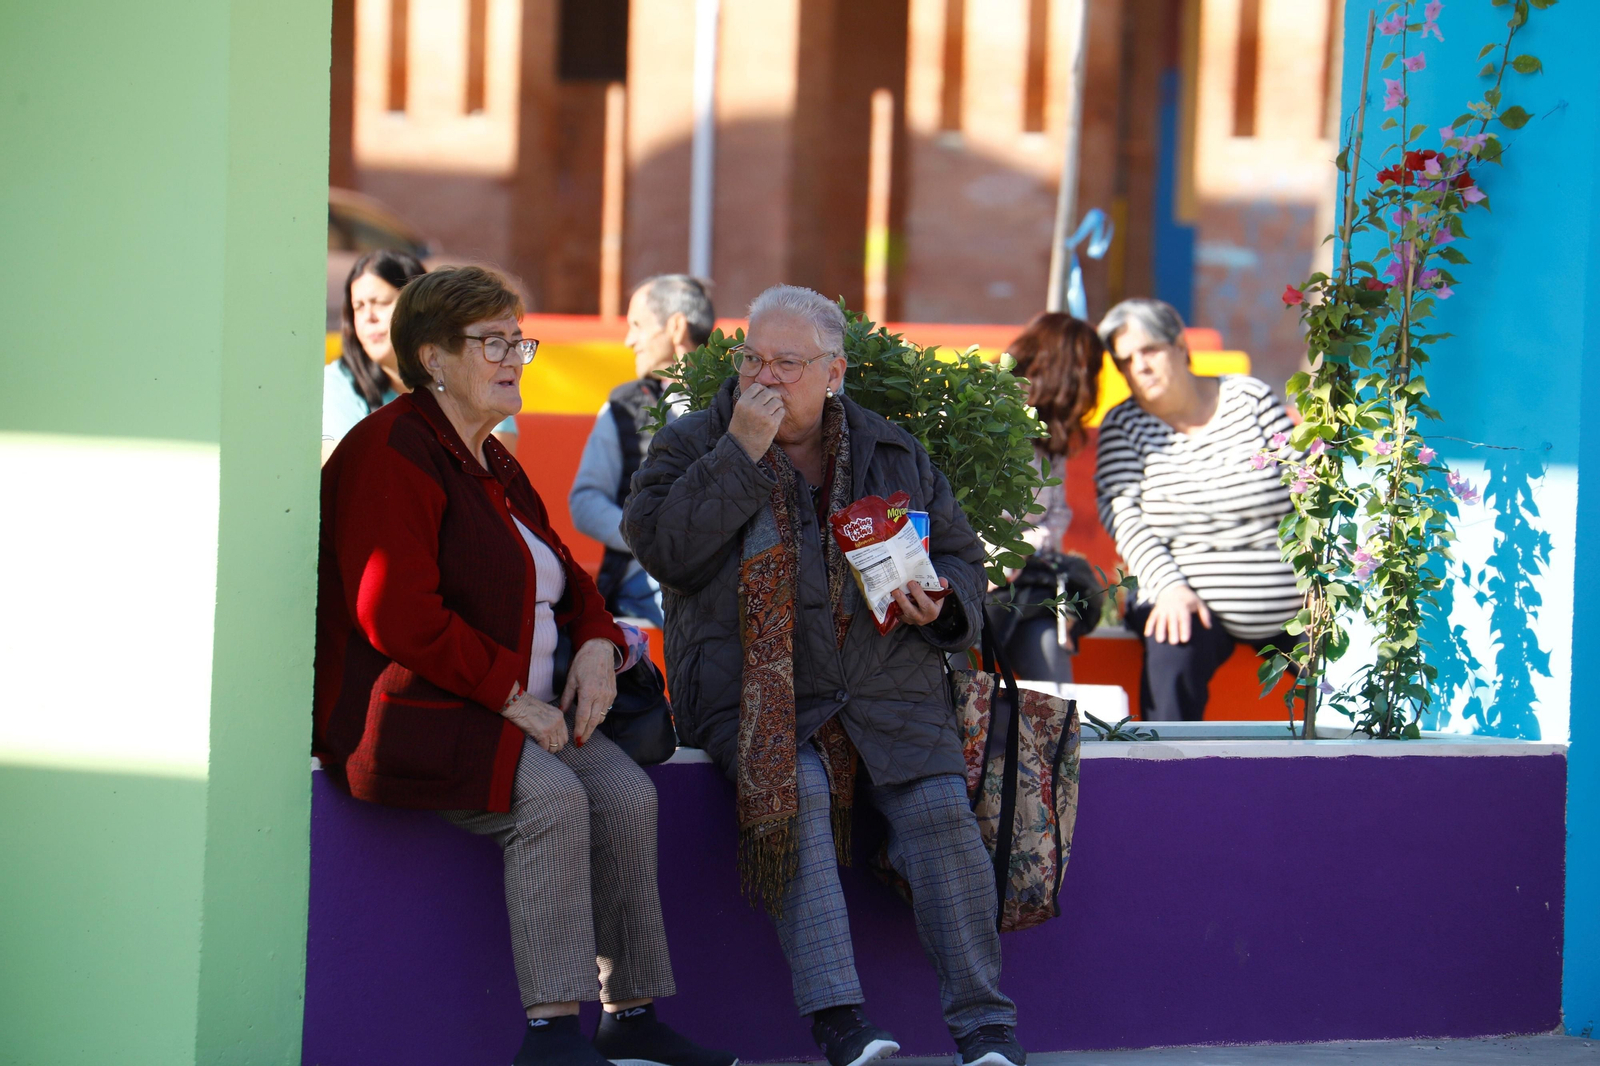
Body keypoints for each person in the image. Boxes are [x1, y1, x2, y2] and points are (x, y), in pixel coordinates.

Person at [315, 266, 734, 1066]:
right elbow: (393, 610)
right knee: (551, 803)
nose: (516, 359)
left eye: (520, 341)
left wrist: (601, 649)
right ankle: (550, 1035)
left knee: (626, 796)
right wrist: (511, 696)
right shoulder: (394, 449)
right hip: (419, 714)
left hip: (517, 706)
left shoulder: (490, 458)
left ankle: (631, 1019)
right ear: (433, 357)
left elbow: (569, 579)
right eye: (494, 343)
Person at [624, 285, 1026, 1066]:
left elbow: (962, 562)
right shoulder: (692, 444)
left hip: (888, 687)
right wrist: (737, 455)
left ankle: (986, 1030)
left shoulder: (891, 450)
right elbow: (664, 549)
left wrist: (940, 605)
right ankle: (841, 1021)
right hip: (753, 689)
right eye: (752, 360)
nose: (764, 379)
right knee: (796, 787)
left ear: (834, 371)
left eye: (786, 363)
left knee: (941, 810)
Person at [1094, 297, 1299, 721]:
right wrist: (1168, 586)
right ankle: (1166, 779)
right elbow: (1124, 517)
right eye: (1126, 360)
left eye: (1149, 350)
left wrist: (1320, 586)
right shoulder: (1124, 425)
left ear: (1180, 346)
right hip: (1185, 594)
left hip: (1291, 606)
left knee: (1347, 691)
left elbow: (1305, 491)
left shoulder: (1251, 398)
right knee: (1170, 657)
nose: (1140, 367)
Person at [569, 275, 714, 626]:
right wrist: (651, 540)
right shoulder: (624, 407)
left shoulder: (737, 400)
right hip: (646, 577)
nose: (628, 339)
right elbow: (585, 501)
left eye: (637, 325)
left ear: (676, 326)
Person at [991, 312, 1106, 682]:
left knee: (1053, 679)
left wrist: (1021, 547)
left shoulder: (1050, 432)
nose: (1092, 387)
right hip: (973, 582)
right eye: (1090, 373)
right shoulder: (986, 414)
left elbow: (1056, 516)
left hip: (1024, 587)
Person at [322, 249, 516, 465]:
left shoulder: (476, 375)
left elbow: (491, 472)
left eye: (382, 302)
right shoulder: (335, 385)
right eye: (359, 307)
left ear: (417, 313)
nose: (369, 317)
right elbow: (350, 470)